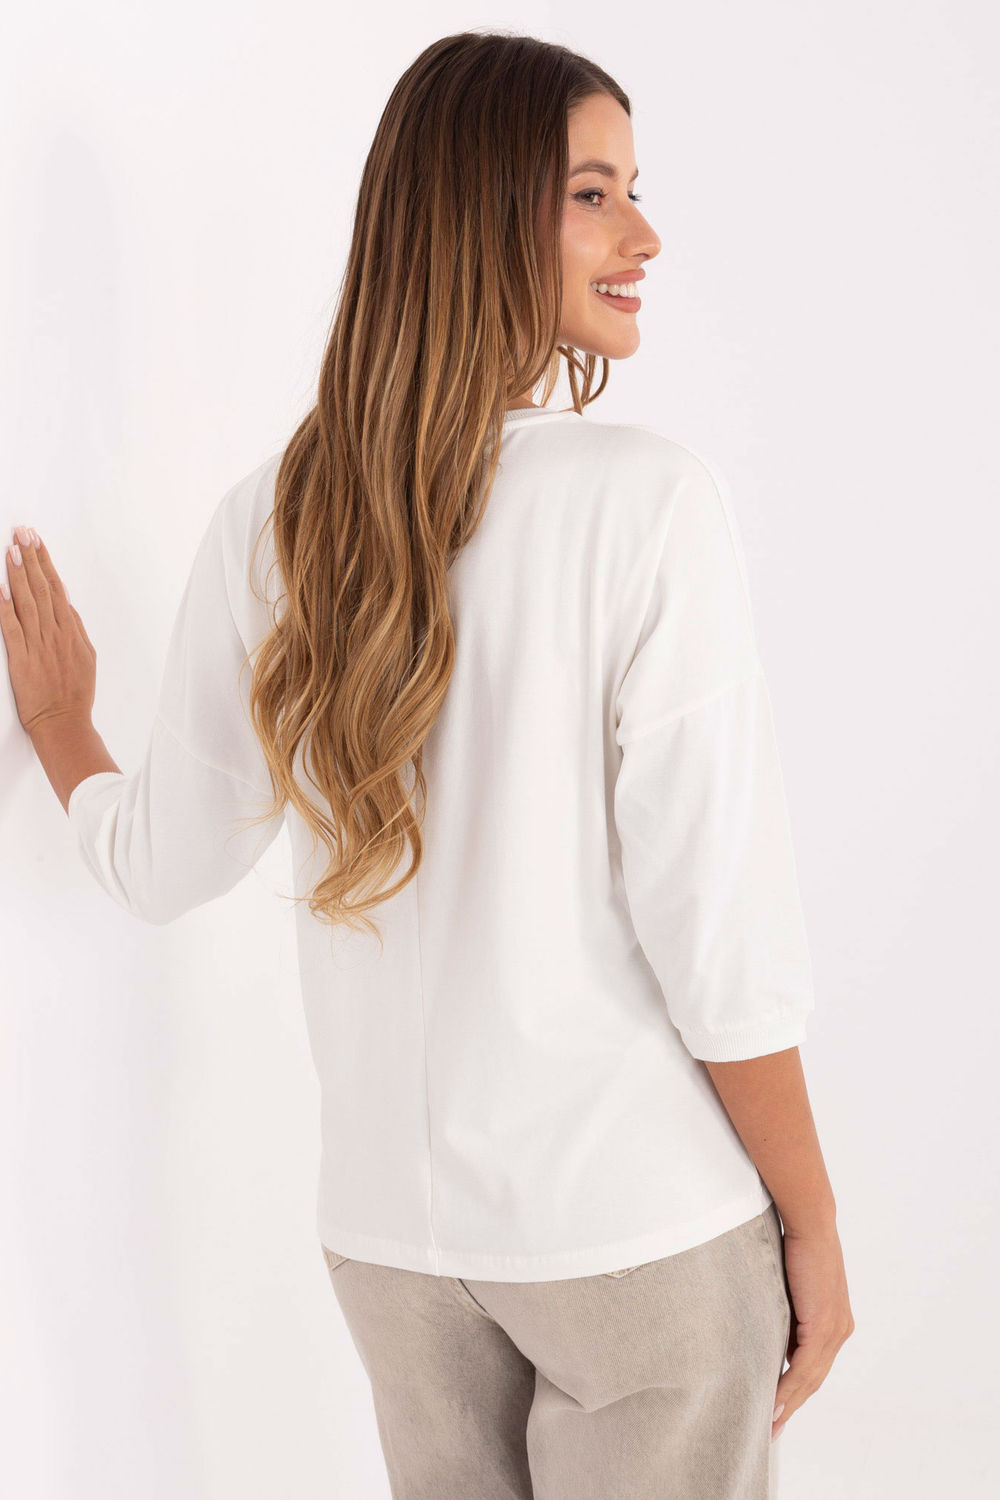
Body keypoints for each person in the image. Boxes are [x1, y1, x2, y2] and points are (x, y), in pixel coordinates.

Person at [0, 30, 854, 1500]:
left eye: (633, 190)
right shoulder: (646, 502)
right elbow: (717, 936)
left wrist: (65, 731)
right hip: (635, 1238)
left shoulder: (274, 517)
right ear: (479, 211)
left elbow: (162, 863)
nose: (645, 235)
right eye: (594, 194)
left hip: (394, 1251)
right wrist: (815, 1222)